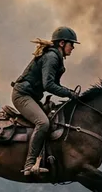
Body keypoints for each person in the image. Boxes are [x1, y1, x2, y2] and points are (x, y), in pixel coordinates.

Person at [11, 26, 79, 175]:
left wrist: (69, 93)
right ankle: (29, 165)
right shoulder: (52, 57)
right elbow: (48, 85)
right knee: (43, 123)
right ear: (62, 43)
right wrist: (69, 93)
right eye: (71, 44)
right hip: (22, 95)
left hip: (31, 96)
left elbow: (53, 84)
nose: (73, 47)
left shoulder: (56, 57)